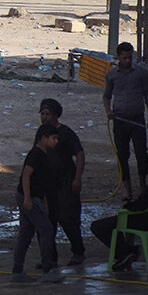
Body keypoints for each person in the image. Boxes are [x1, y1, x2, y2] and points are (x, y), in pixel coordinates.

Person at [90, 146, 148, 271]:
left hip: (143, 219)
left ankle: (128, 251)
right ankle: (125, 253)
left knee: (98, 226)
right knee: (112, 224)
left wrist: (129, 207)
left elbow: (144, 203)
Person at [11, 125, 65, 284]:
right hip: (28, 197)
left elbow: (41, 182)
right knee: (46, 230)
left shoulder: (43, 154)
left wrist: (43, 202)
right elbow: (26, 175)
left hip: (31, 197)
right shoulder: (36, 154)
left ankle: (17, 271)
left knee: (26, 234)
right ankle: (47, 269)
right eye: (53, 138)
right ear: (43, 138)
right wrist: (28, 198)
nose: (56, 142)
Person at [103, 42, 148, 199]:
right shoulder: (111, 74)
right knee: (122, 155)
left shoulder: (141, 72)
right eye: (125, 57)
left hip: (137, 119)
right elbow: (106, 96)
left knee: (141, 152)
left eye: (130, 57)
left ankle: (142, 185)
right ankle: (127, 190)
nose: (127, 61)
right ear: (118, 57)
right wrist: (108, 111)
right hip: (119, 120)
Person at [38, 98, 86, 267]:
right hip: (49, 184)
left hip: (66, 182)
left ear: (56, 115)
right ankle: (50, 258)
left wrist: (77, 178)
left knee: (68, 218)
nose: (45, 117)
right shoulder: (42, 133)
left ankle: (78, 252)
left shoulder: (66, 133)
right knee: (48, 220)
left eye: (48, 114)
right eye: (43, 114)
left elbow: (79, 154)